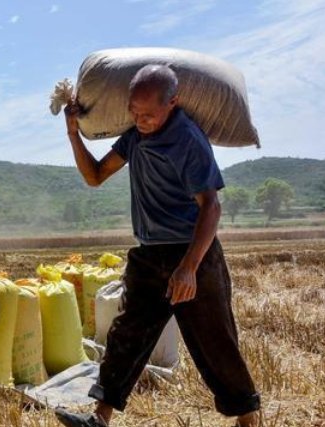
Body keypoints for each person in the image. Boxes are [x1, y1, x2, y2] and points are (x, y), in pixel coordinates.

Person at [55, 64, 260, 427]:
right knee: (127, 335)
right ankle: (99, 418)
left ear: (173, 103)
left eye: (148, 114)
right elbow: (96, 176)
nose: (141, 119)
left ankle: (248, 419)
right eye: (135, 112)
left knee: (215, 343)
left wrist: (189, 267)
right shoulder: (135, 136)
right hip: (148, 255)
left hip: (192, 252)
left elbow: (211, 206)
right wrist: (74, 135)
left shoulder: (187, 140)